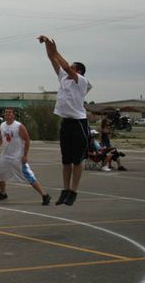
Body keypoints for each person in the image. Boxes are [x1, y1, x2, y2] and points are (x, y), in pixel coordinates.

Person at [38, 35, 91, 206]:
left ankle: (74, 191)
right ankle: (65, 189)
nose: (69, 68)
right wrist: (47, 45)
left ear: (79, 71)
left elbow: (66, 66)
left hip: (78, 124)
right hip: (66, 123)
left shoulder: (81, 81)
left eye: (74, 67)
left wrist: (56, 50)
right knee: (65, 160)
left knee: (77, 160)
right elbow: (52, 59)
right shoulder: (63, 78)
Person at [0, 108, 51, 205]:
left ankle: (44, 195)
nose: (7, 114)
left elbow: (27, 140)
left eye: (9, 112)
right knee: (1, 175)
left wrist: (25, 155)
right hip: (5, 156)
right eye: (6, 112)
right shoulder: (2, 125)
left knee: (29, 176)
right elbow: (1, 139)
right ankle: (3, 193)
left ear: (13, 115)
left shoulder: (18, 126)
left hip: (17, 157)